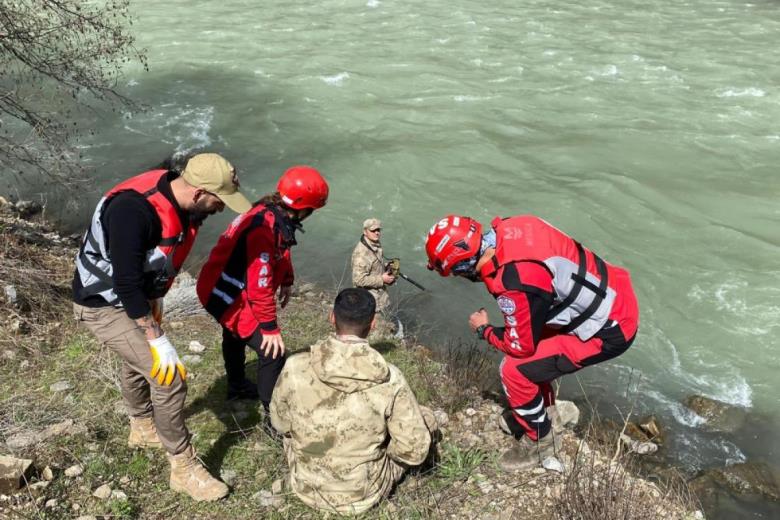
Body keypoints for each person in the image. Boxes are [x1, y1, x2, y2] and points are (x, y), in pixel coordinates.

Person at [72, 152, 251, 501]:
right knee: (169, 376)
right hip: (101, 303)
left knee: (136, 362)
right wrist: (155, 337)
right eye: (219, 201)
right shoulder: (133, 212)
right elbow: (124, 282)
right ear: (198, 192)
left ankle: (141, 426)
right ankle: (183, 469)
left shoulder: (180, 195)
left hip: (135, 295)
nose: (221, 209)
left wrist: (154, 298)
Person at [425, 214, 639, 470]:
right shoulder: (513, 225)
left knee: (514, 370)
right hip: (610, 294)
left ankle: (541, 442)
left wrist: (484, 329)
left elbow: (520, 346)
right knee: (537, 358)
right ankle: (546, 416)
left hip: (608, 328)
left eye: (455, 272)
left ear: (462, 266)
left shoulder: (513, 280)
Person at [270, 288, 435, 515]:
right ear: (373, 323)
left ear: (332, 317)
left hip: (306, 486)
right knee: (426, 418)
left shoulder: (295, 366)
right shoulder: (391, 379)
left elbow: (280, 424)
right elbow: (414, 451)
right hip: (362, 494)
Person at [196, 166, 328, 409]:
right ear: (303, 208)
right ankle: (272, 413)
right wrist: (269, 327)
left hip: (217, 284)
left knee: (234, 335)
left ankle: (236, 386)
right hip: (225, 292)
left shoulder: (270, 213)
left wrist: (287, 279)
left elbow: (281, 251)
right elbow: (259, 285)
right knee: (273, 353)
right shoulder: (263, 229)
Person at [351, 218, 395, 314]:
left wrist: (386, 265)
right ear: (365, 231)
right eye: (373, 230)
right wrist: (382, 279)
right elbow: (358, 280)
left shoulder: (374, 243)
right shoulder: (361, 254)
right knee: (373, 324)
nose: (377, 233)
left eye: (378, 230)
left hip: (379, 295)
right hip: (368, 299)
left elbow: (373, 263)